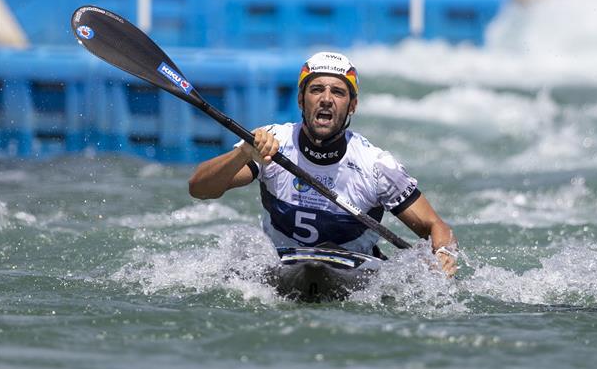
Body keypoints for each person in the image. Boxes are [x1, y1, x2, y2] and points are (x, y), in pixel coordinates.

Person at [188, 51, 457, 276]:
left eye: (338, 92)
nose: (326, 98)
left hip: (353, 275)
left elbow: (435, 227)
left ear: (352, 105)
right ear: (300, 100)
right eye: (316, 89)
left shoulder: (377, 166)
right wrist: (244, 153)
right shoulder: (271, 143)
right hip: (280, 267)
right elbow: (199, 188)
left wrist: (443, 255)